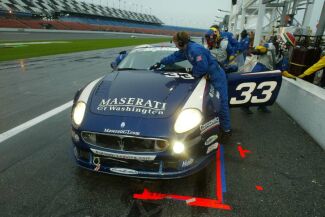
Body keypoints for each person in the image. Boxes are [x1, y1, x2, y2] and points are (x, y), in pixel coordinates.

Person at [150, 31, 232, 137]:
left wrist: (192, 73)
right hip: (207, 75)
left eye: (175, 43)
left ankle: (226, 129)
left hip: (216, 75)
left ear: (180, 43)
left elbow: (202, 67)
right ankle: (216, 123)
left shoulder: (194, 50)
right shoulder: (186, 49)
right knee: (211, 102)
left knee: (222, 101)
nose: (175, 45)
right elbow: (174, 57)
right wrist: (160, 62)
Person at [241, 45, 273, 114]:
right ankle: (245, 106)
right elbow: (260, 50)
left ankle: (262, 105)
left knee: (265, 88)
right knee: (254, 87)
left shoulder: (280, 53)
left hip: (268, 70)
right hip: (260, 67)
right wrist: (253, 51)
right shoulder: (269, 47)